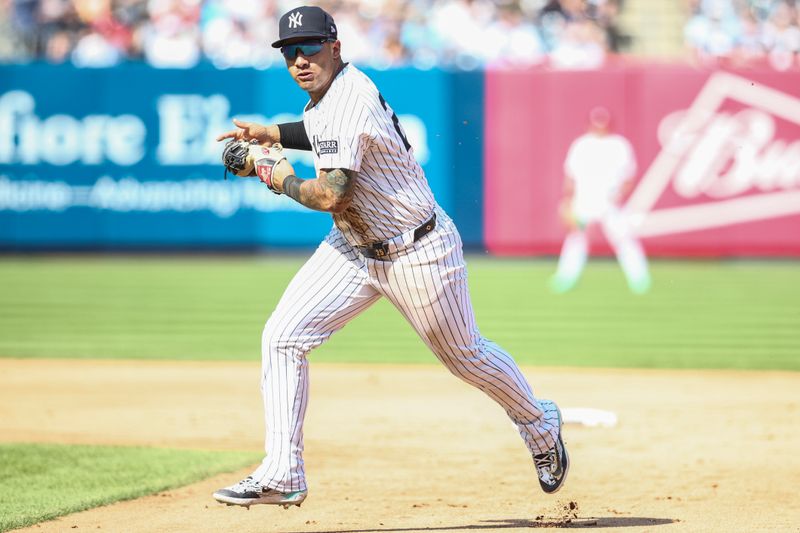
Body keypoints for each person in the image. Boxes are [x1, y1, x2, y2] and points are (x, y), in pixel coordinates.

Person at [212, 5, 569, 509]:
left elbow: (331, 196)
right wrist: (272, 134)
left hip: (416, 249)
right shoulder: (330, 96)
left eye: (310, 48)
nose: (299, 60)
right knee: (282, 337)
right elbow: (319, 130)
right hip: (354, 247)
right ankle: (283, 471)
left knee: (465, 358)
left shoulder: (346, 99)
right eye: (290, 52)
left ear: (335, 48)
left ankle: (539, 423)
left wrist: (274, 174)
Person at [550, 106, 651, 294]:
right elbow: (570, 178)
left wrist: (619, 195)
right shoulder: (581, 144)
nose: (599, 127)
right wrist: (567, 201)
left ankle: (640, 280)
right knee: (576, 240)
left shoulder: (620, 145)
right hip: (584, 202)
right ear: (589, 124)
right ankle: (565, 279)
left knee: (624, 239)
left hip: (611, 203)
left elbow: (629, 178)